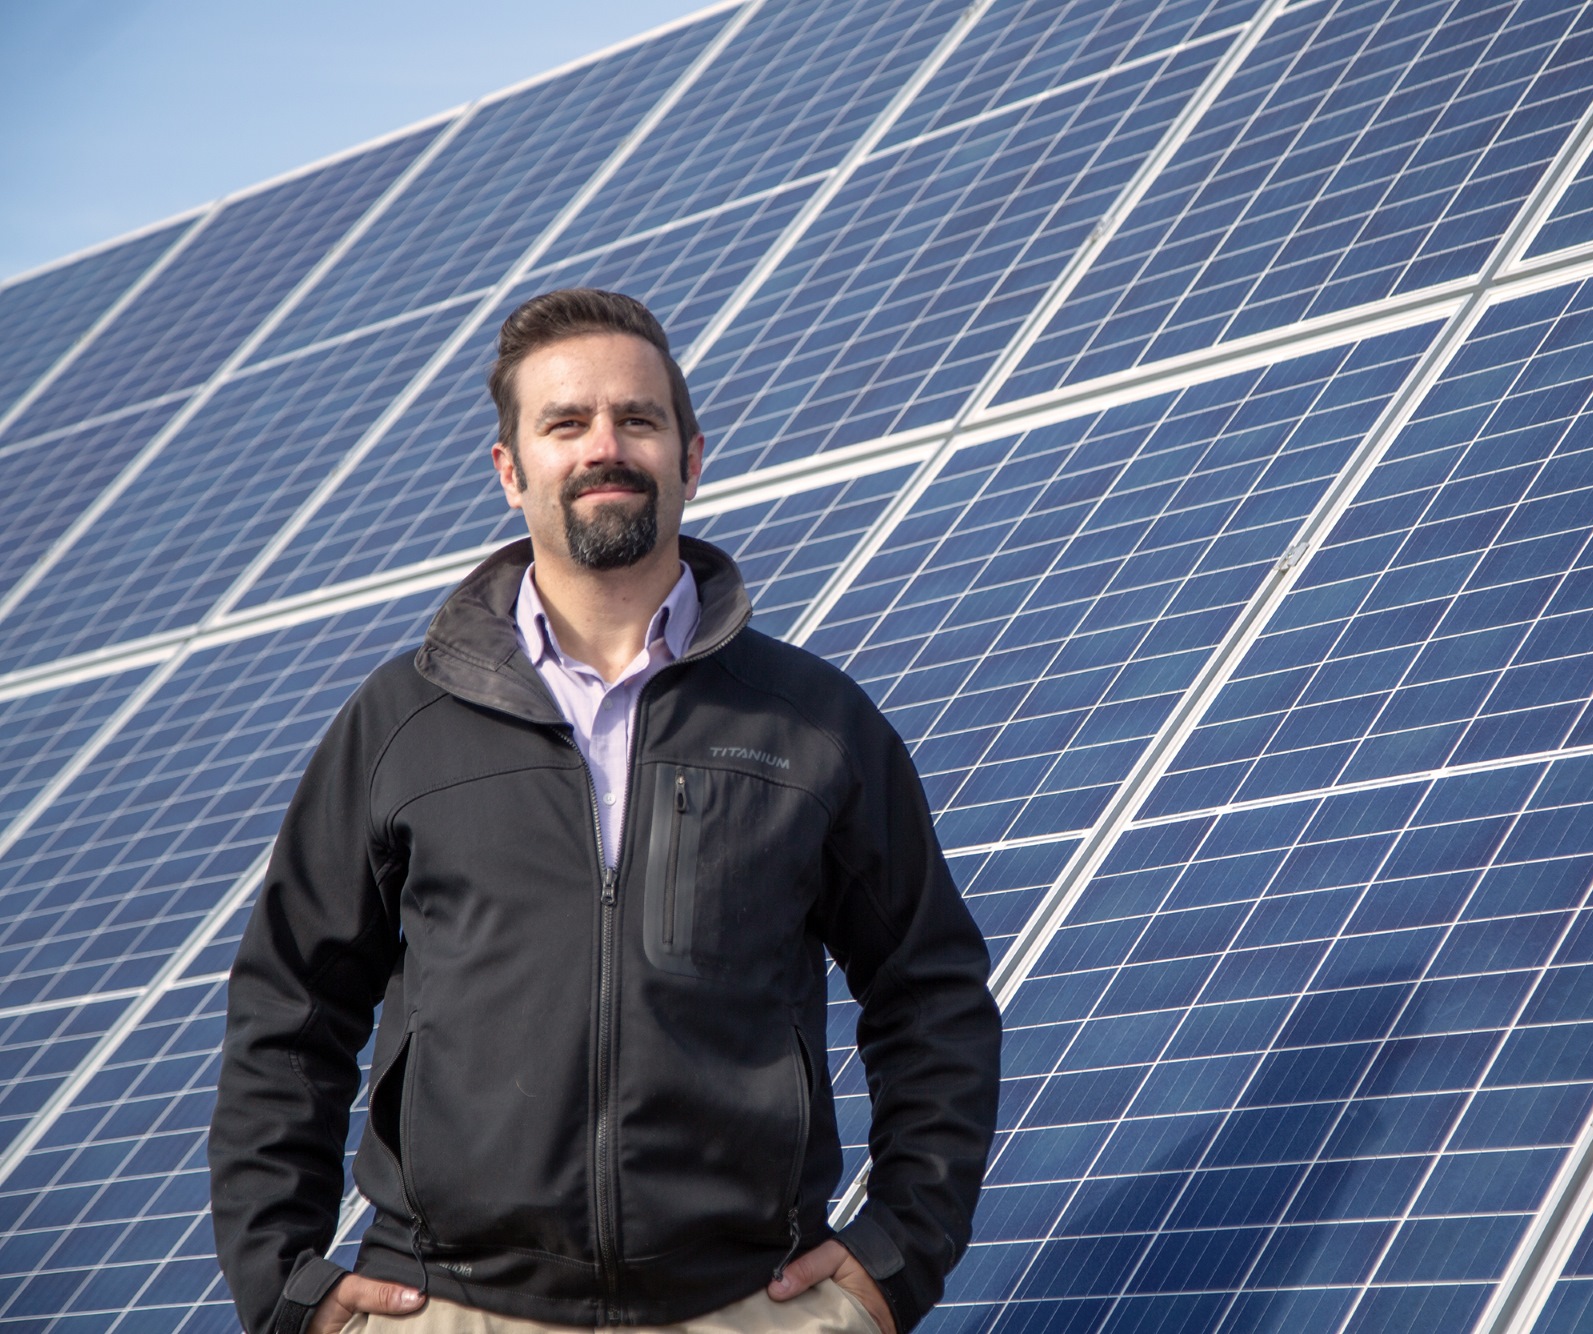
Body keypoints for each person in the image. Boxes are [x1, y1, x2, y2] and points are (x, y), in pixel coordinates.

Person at [209, 289, 1002, 1334]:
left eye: (637, 419)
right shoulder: (402, 723)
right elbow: (289, 1009)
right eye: (565, 423)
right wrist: (287, 1286)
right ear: (510, 469)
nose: (604, 447)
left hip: (747, 1308)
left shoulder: (811, 723)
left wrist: (894, 1256)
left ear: (691, 454)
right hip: (447, 1308)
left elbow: (930, 995)